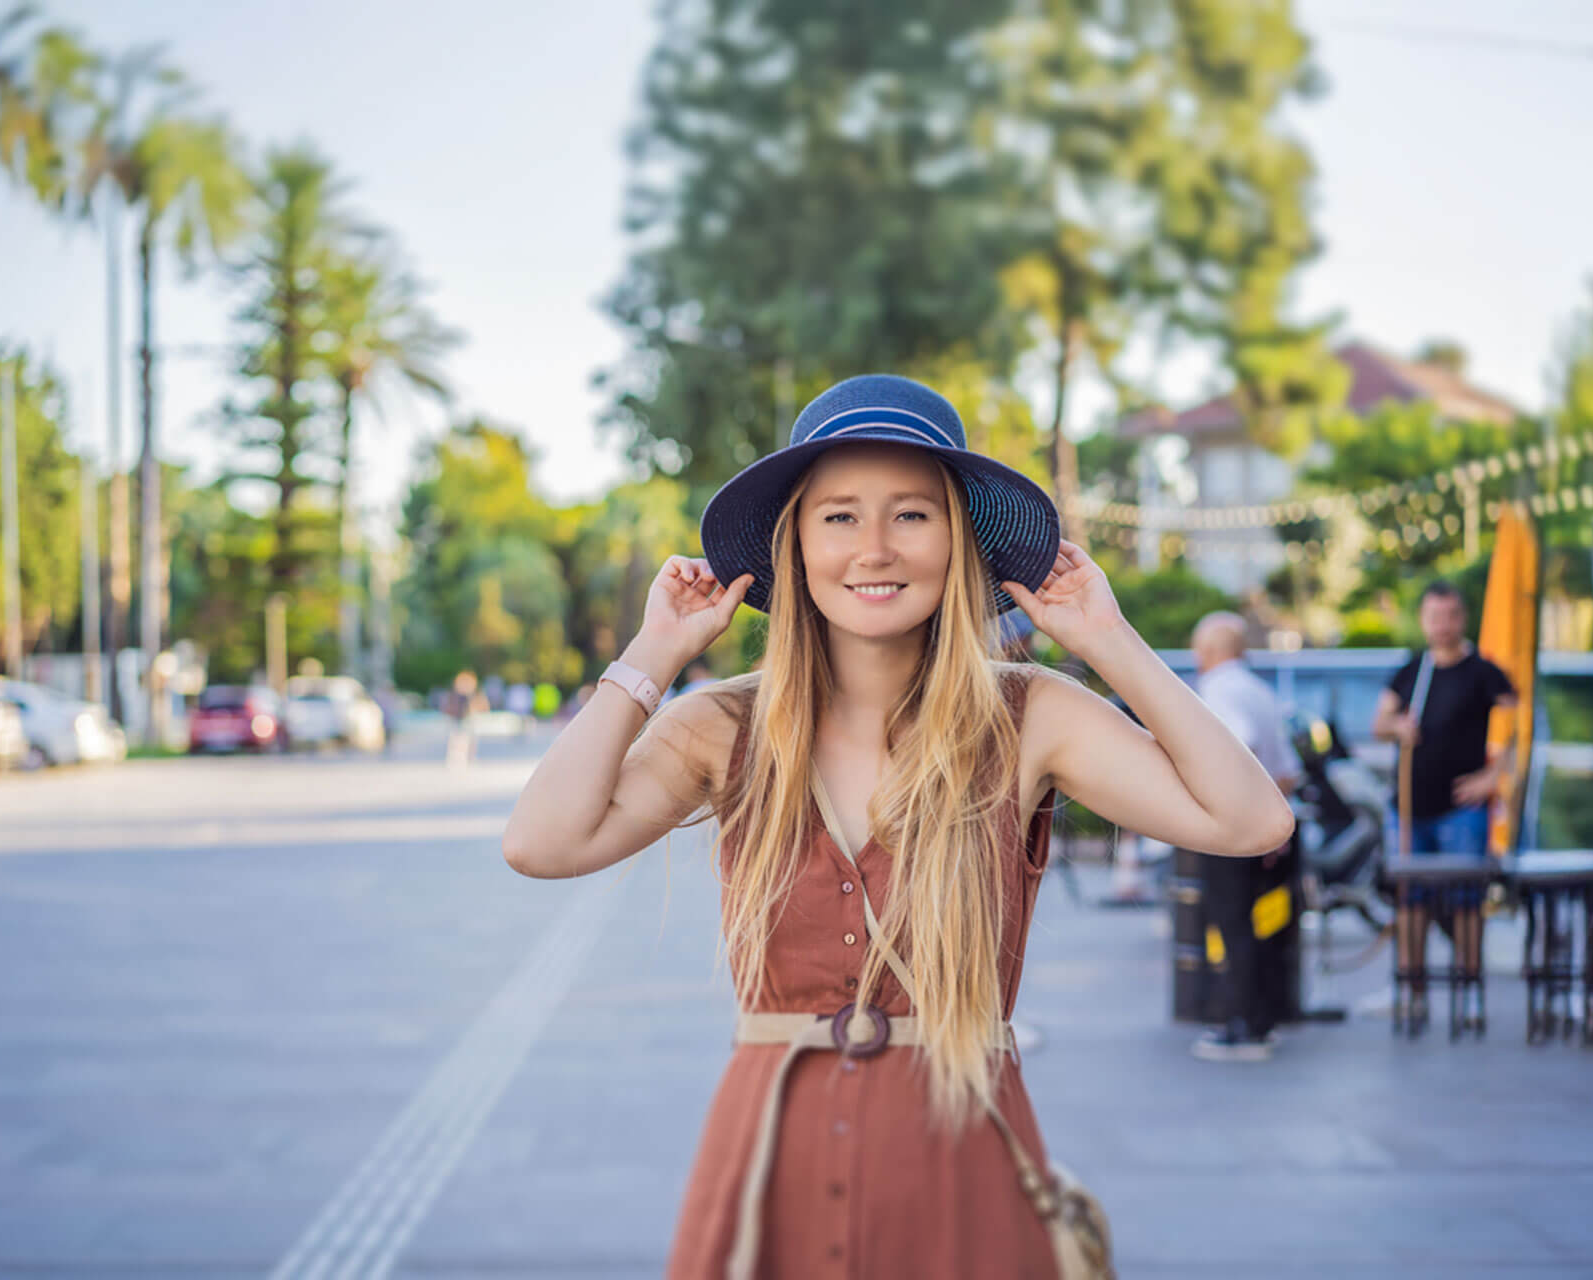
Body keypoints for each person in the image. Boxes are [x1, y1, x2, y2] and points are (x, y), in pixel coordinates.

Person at [501, 375, 1292, 1279]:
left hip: (963, 1168)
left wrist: (1107, 640)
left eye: (911, 515)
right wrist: (654, 653)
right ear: (793, 545)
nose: (874, 548)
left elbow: (1252, 817)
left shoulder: (1030, 716)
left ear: (959, 541)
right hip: (768, 1173)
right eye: (838, 517)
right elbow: (541, 842)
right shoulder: (723, 729)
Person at [1371, 580, 1517, 1029]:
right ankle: (1413, 991)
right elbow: (1379, 724)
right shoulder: (1412, 671)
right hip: (1411, 809)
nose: (1443, 625)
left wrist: (1493, 776)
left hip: (1462, 810)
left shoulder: (1484, 672)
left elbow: (1522, 726)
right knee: (1410, 901)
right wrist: (1399, 728)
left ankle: (1469, 990)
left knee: (1465, 903)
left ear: (1463, 618)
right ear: (1422, 620)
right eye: (1434, 617)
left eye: (1451, 615)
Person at [1188, 612, 1302, 1062]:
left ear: (1212, 651)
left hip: (1232, 829)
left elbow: (1242, 743)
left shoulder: (1217, 690)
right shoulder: (1261, 691)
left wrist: (1233, 806)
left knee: (1231, 924)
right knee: (1260, 925)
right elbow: (1288, 771)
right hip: (1269, 830)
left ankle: (1242, 1026)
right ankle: (1262, 1020)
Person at [441, 670, 486, 768]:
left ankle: (465, 757)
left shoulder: (471, 694)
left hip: (467, 718)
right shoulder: (456, 694)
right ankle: (458, 758)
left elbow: (481, 704)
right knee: (458, 739)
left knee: (466, 739)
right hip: (459, 718)